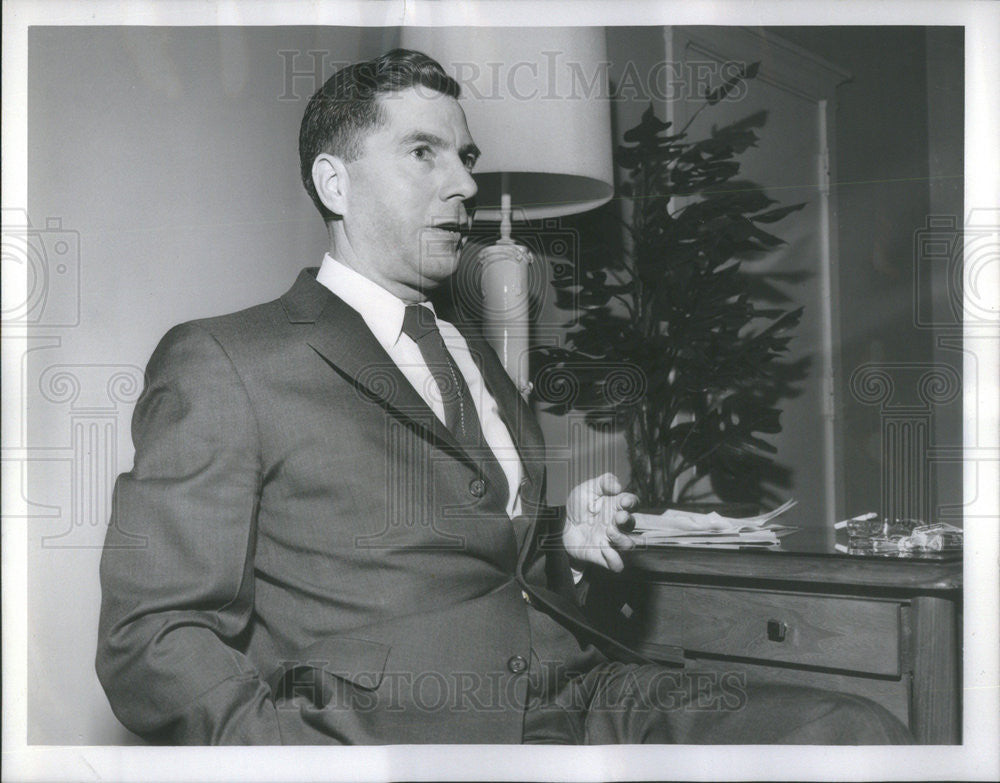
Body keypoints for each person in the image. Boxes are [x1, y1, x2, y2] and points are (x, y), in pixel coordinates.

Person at [96, 48, 911, 745]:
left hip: (583, 694)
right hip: (411, 736)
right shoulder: (228, 360)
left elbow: (461, 535)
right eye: (424, 153)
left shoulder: (471, 348)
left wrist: (559, 526)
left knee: (854, 728)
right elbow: (151, 637)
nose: (464, 185)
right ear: (334, 183)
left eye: (468, 157)